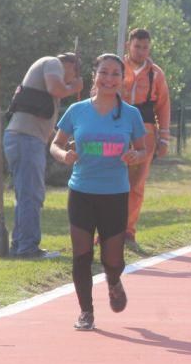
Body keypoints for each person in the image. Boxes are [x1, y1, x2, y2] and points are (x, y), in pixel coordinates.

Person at [50, 54, 147, 330]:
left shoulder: (131, 114)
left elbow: (142, 149)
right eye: (103, 73)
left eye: (115, 74)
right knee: (81, 253)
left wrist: (134, 156)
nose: (109, 79)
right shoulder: (77, 110)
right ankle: (86, 311)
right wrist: (63, 156)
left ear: (122, 79)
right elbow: (55, 144)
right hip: (81, 191)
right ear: (95, 76)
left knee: (112, 258)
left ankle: (114, 281)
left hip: (115, 194)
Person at [5, 52, 83, 258]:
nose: (73, 79)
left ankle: (20, 245)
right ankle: (28, 248)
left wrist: (67, 146)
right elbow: (56, 88)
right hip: (25, 139)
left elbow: (51, 134)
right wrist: (74, 88)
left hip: (24, 139)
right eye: (75, 73)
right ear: (70, 65)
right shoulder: (52, 63)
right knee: (32, 194)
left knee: (26, 195)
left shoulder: (47, 82)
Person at [121, 28, 171, 248]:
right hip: (116, 128)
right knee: (111, 180)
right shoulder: (115, 68)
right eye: (137, 46)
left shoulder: (156, 74)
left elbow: (164, 106)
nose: (141, 51)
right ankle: (107, 232)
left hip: (145, 129)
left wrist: (165, 138)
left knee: (136, 183)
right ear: (128, 45)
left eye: (145, 47)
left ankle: (128, 231)